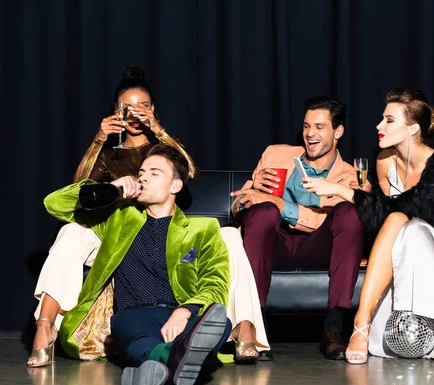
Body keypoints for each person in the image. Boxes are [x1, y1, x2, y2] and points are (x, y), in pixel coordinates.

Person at [27, 66, 269, 367]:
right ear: (117, 111)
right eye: (127, 107)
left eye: (143, 106)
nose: (135, 113)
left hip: (161, 227)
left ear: (152, 109)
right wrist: (98, 141)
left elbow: (188, 172)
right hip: (115, 226)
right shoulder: (110, 152)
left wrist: (159, 130)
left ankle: (244, 327)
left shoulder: (163, 147)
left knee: (230, 235)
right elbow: (80, 193)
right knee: (71, 231)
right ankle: (46, 325)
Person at [303, 88, 434, 369]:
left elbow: (412, 209)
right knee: (397, 222)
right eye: (382, 119)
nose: (378, 126)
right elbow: (383, 218)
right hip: (400, 258)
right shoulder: (384, 161)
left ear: (413, 129)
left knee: (409, 225)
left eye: (389, 120)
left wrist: (342, 191)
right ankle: (365, 322)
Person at [44, 144, 232, 385]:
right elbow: (55, 204)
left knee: (222, 323)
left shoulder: (203, 229)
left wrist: (185, 311)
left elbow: (215, 282)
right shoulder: (118, 218)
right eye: (141, 172)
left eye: (155, 173)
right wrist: (113, 189)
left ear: (175, 186)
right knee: (135, 331)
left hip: (181, 314)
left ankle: (149, 369)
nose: (143, 177)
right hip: (135, 313)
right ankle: (176, 358)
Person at [231, 96, 365, 360]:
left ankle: (334, 326)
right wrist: (253, 190)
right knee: (263, 211)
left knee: (349, 213)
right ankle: (255, 328)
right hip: (274, 243)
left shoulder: (349, 176)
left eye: (319, 127)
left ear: (338, 131)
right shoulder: (275, 154)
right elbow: (238, 210)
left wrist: (278, 203)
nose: (310, 134)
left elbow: (322, 220)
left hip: (318, 246)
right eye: (306, 126)